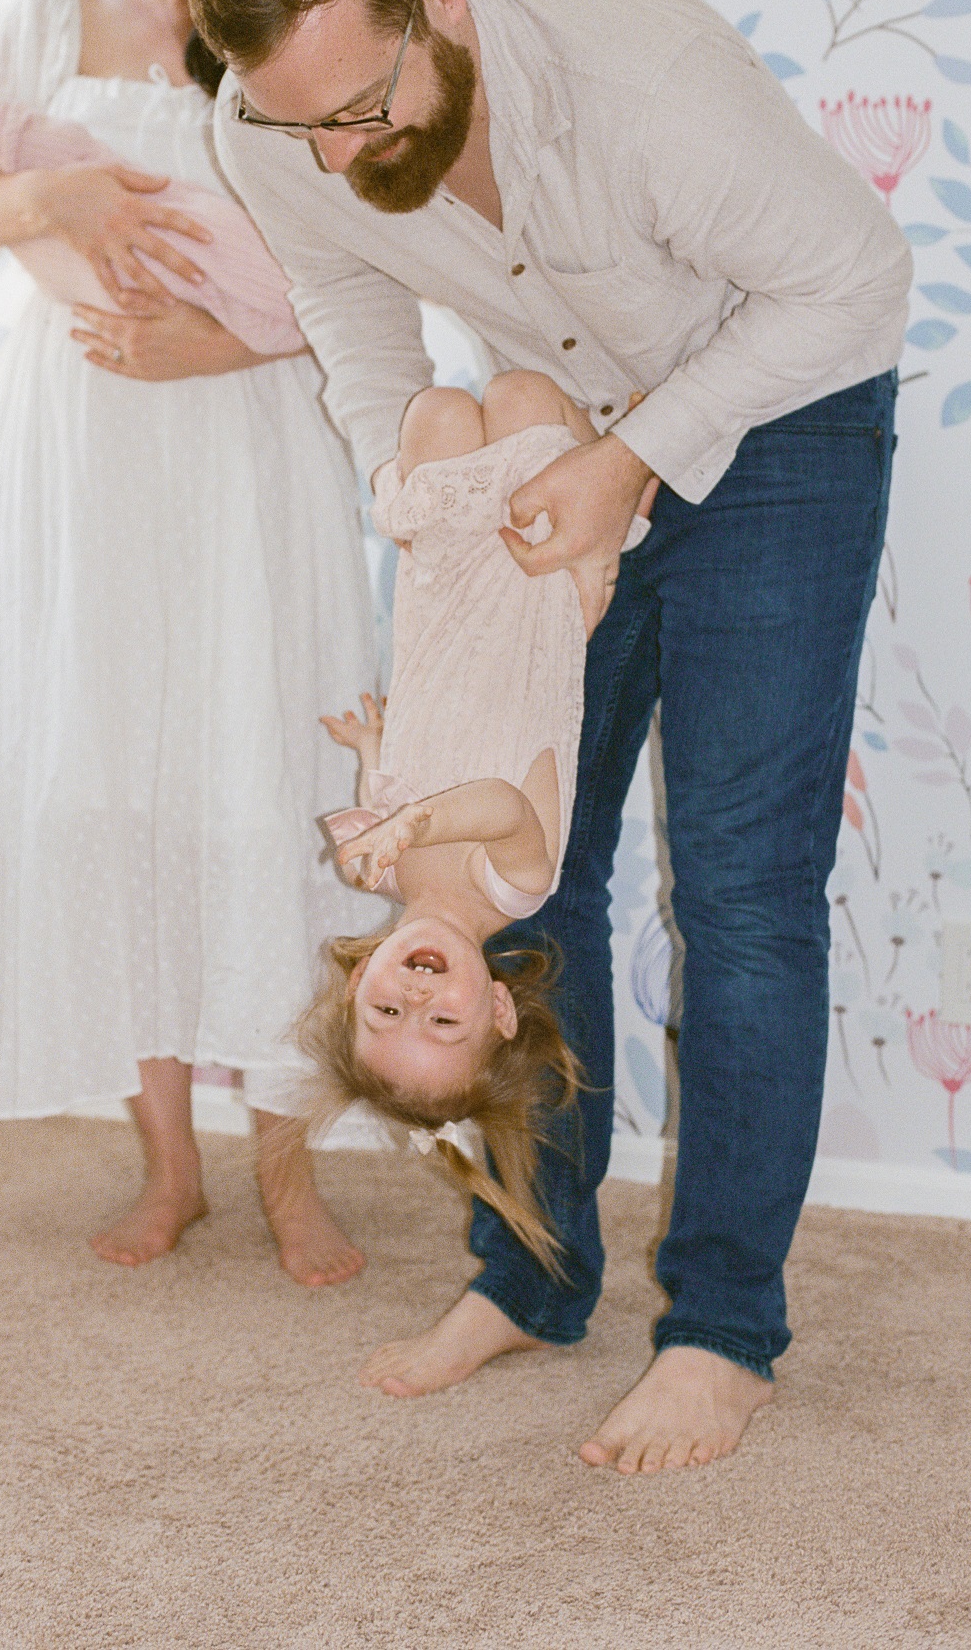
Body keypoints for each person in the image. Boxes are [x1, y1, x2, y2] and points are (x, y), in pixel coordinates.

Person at [173, 0, 911, 1475]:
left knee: (738, 896)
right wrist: (419, 505)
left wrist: (637, 456)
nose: (340, 153)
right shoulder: (273, 129)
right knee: (527, 893)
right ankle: (532, 1274)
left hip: (778, 417)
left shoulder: (643, 73)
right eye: (300, 127)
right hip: (545, 452)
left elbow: (859, 282)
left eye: (362, 106)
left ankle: (724, 1330)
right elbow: (359, 317)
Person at [0, 0, 381, 1287]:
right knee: (113, 784)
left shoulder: (300, 21)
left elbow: (368, 256)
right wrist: (59, 207)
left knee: (264, 783)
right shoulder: (53, 12)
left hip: (248, 436)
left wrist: (230, 340)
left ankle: (289, 1179)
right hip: (88, 441)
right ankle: (171, 1166)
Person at [298, 370, 616, 1304]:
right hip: (529, 590)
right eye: (445, 1022)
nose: (418, 995)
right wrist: (413, 822)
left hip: (440, 602)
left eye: (386, 1010)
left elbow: (396, 781)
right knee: (522, 395)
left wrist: (370, 757)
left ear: (362, 980)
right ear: (500, 1011)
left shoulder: (388, 877)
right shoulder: (514, 890)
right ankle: (608, 500)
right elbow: (494, 802)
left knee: (432, 415)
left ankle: (584, 452)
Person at [0, 62, 301, 354]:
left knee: (218, 261)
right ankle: (288, 312)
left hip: (203, 328)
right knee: (216, 252)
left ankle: (287, 318)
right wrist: (50, 197)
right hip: (119, 289)